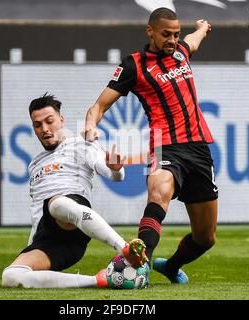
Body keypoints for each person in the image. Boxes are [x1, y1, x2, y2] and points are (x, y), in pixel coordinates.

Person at [84, 7, 218, 284]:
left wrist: (203, 28)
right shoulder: (134, 65)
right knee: (158, 195)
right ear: (150, 31)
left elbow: (193, 40)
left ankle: (170, 266)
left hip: (199, 149)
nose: (172, 39)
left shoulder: (181, 51)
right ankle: (139, 266)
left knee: (205, 238)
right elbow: (99, 105)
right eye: (166, 34)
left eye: (176, 34)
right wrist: (90, 124)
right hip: (164, 147)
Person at [2, 93, 148, 289]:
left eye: (49, 121)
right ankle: (100, 280)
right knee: (11, 277)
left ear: (61, 120)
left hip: (72, 216)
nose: (45, 129)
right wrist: (32, 245)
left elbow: (113, 173)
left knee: (57, 204)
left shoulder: (81, 144)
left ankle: (124, 248)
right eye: (38, 125)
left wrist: (116, 169)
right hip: (52, 239)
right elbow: (37, 211)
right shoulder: (34, 164)